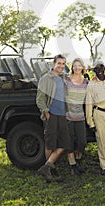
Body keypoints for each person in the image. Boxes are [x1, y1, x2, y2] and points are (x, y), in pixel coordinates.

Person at [36, 54, 69, 182]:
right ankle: (50, 170)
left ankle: (46, 167)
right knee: (50, 143)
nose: (61, 66)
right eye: (59, 63)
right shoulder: (46, 78)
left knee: (64, 143)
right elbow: (40, 98)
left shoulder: (62, 77)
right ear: (53, 63)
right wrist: (46, 112)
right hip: (52, 114)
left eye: (63, 64)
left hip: (62, 114)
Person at [65, 58, 88, 175]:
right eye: (75, 66)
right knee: (69, 142)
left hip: (80, 116)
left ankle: (78, 160)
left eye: (79, 65)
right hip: (68, 116)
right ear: (72, 67)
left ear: (82, 67)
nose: (77, 68)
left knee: (82, 141)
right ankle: (72, 165)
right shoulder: (67, 80)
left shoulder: (86, 82)